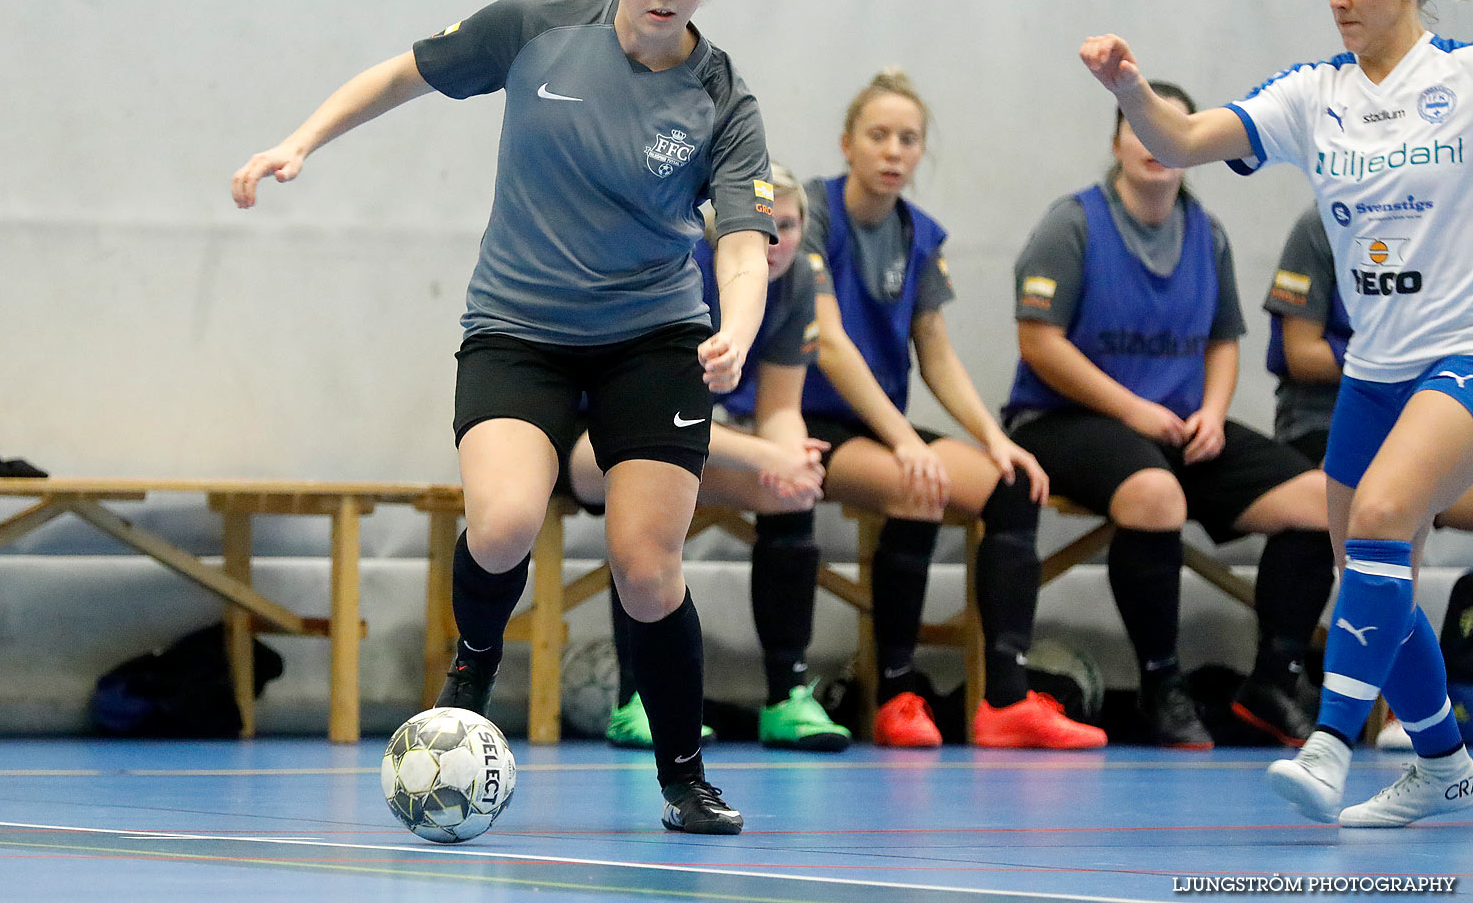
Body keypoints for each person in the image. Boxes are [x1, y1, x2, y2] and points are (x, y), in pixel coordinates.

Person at [231, 0, 772, 835]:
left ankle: (683, 775)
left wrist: (736, 327)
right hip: (517, 330)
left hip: (653, 339)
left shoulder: (722, 96)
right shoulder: (535, 29)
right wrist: (301, 139)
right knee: (506, 523)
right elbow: (404, 74)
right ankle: (472, 666)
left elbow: (742, 240)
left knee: (646, 566)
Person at [1080, 0, 1473, 826]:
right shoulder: (1314, 95)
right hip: (1372, 373)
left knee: (1379, 519)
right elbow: (1180, 140)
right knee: (1372, 568)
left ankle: (1331, 743)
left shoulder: (1462, 80)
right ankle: (1447, 763)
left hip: (1457, 357)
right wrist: (1132, 90)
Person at [1004, 82, 1335, 751]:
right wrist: (1134, 409)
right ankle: (1162, 685)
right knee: (1156, 494)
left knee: (1324, 503)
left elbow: (1222, 341)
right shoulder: (1073, 223)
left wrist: (1213, 413)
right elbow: (1039, 342)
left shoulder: (1206, 234)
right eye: (1140, 127)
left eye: (1171, 132)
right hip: (1061, 420)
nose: (1155, 144)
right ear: (1118, 141)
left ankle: (1274, 678)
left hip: (1178, 426)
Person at [801, 69, 1108, 750]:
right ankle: (898, 692)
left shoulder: (919, 236)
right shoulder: (815, 214)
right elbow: (829, 345)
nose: (893, 151)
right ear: (847, 144)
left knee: (1011, 484)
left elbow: (936, 356)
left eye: (908, 139)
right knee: (915, 481)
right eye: (878, 136)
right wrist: (903, 441)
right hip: (802, 418)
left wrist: (996, 439)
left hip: (879, 424)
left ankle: (1004, 699)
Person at [565, 165, 851, 752]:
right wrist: (769, 453)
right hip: (596, 441)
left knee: (788, 490)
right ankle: (638, 698)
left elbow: (779, 405)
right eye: (762, 226)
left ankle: (787, 696)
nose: (776, 242)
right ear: (724, 230)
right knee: (653, 474)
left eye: (790, 226)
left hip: (691, 444)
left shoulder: (794, 283)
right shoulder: (682, 270)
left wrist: (791, 456)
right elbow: (656, 420)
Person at [1262, 205, 1473, 751]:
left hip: (1436, 411)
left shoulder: (1452, 223)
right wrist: (1391, 358)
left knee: (1397, 513)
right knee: (1380, 524)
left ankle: (1421, 736)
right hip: (1327, 417)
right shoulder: (1322, 222)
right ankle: (1394, 723)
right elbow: (1300, 352)